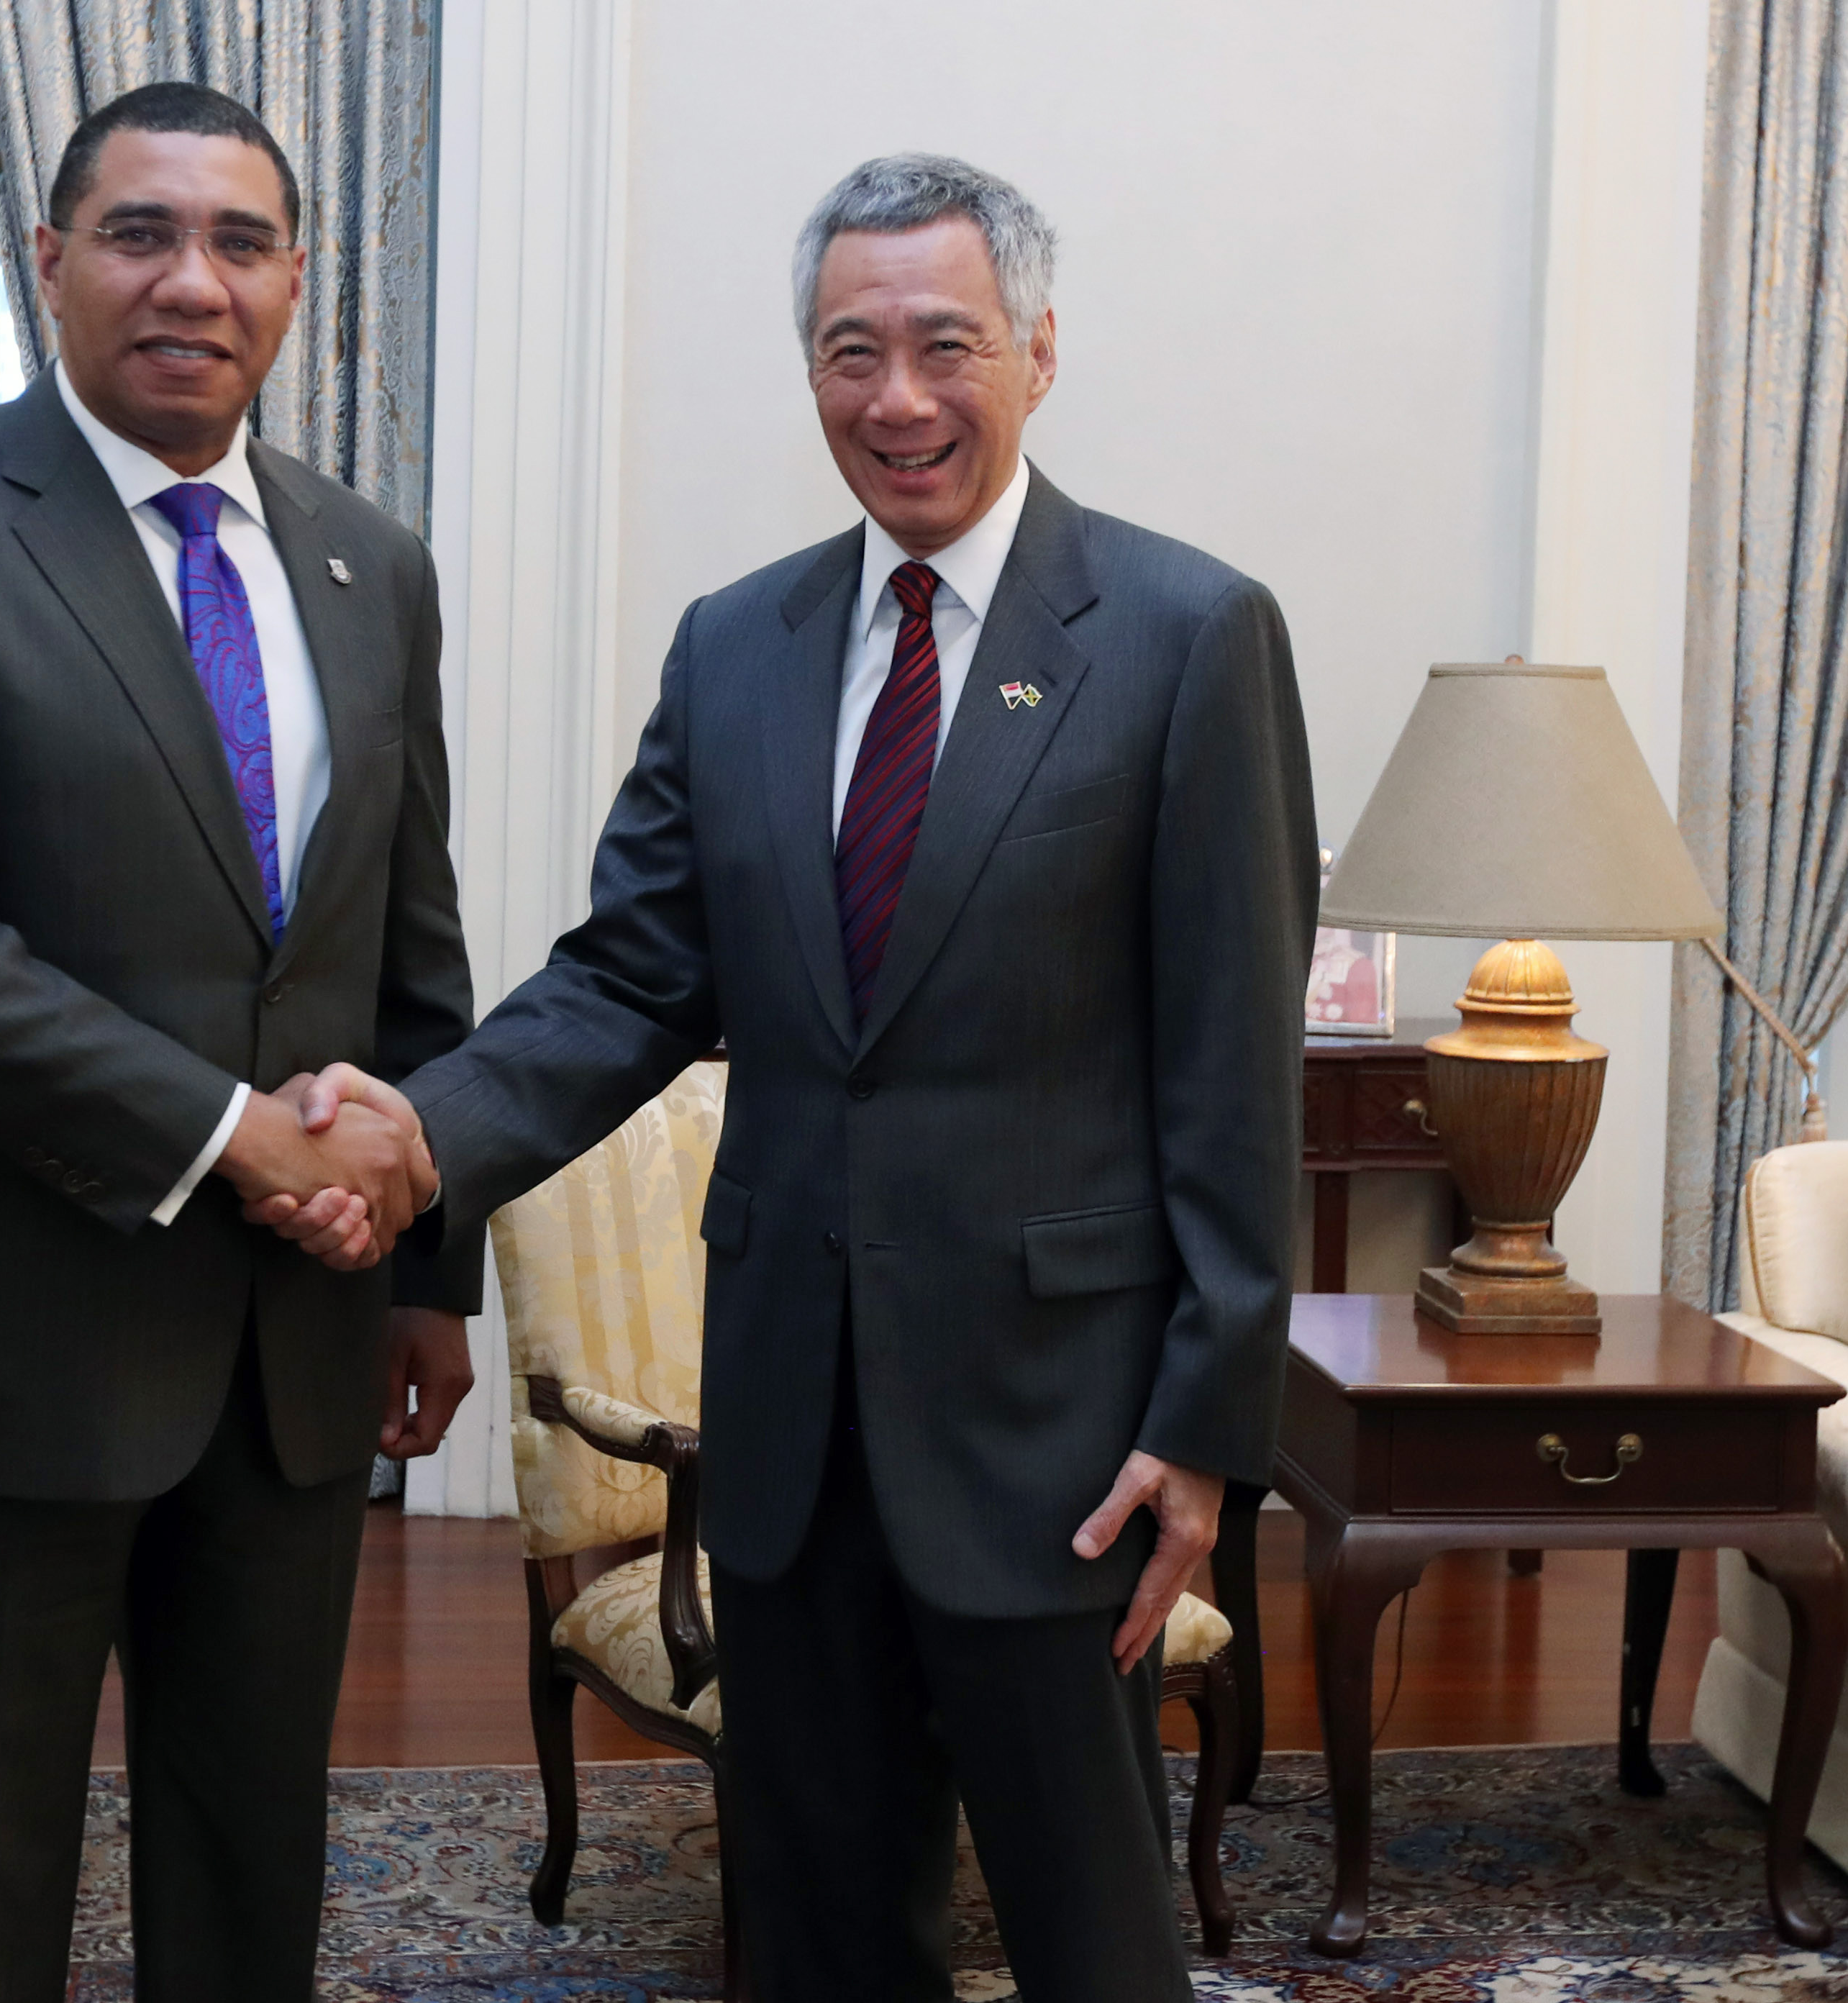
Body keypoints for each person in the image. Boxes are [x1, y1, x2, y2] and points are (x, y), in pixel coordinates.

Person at [265, 154, 1316, 2000]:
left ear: (1039, 352)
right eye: (850, 351)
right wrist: (429, 1138)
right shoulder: (736, 644)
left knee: (1092, 1937)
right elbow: (629, 979)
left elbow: (1235, 1065)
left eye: (943, 344)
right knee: (816, 1933)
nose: (895, 398)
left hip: (1052, 1429)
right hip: (784, 1424)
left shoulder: (1183, 636)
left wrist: (1209, 1427)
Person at [0, 81, 477, 2003]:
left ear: (297, 283)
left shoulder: (367, 565)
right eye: (141, 234)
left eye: (240, 242)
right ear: (51, 260)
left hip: (298, 1349)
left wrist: (426, 1273)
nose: (192, 282)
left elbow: (407, 945)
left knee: (252, 1872)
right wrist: (237, 1137)